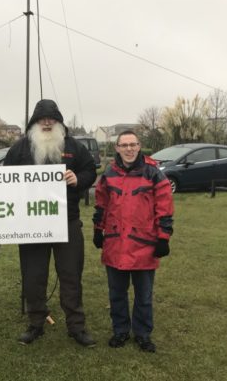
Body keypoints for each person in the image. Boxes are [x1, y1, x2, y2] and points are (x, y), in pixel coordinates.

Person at [4, 99, 97, 347]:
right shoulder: (21, 148)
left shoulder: (74, 147)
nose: (47, 123)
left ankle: (76, 326)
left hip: (67, 221)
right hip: (31, 224)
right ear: (34, 122)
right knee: (33, 275)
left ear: (58, 122)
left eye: (51, 119)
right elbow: (2, 178)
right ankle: (36, 323)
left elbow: (91, 170)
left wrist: (78, 178)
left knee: (70, 275)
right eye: (41, 119)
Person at [92, 130, 174, 353]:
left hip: (144, 245)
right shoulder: (108, 175)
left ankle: (143, 334)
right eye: (124, 145)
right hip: (115, 245)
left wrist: (163, 237)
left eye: (133, 144)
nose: (129, 149)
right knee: (116, 294)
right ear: (117, 148)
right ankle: (120, 331)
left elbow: (164, 208)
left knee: (144, 296)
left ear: (139, 146)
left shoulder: (154, 174)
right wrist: (98, 231)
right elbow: (101, 205)